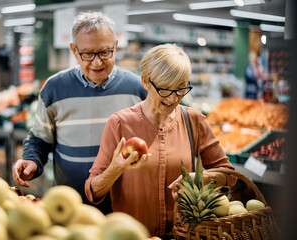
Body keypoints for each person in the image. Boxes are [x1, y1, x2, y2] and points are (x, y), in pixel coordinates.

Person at [85, 44, 236, 238]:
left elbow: (229, 175)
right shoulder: (120, 123)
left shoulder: (194, 120)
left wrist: (202, 178)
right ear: (145, 82)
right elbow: (93, 191)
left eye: (181, 89)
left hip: (183, 235)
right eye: (165, 89)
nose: (173, 99)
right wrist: (115, 168)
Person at [12, 12, 147, 214]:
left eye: (104, 52)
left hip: (124, 208)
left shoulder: (137, 88)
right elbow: (40, 139)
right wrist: (32, 160)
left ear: (116, 47)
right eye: (87, 54)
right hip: (69, 206)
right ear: (74, 50)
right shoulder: (54, 88)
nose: (97, 62)